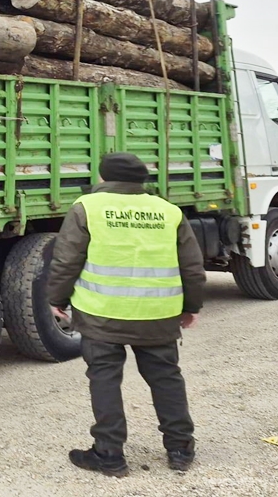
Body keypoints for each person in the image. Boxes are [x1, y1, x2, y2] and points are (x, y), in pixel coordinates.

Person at [47, 152, 206, 477]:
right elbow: (192, 266)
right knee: (166, 378)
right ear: (142, 180)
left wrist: (56, 298)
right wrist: (192, 306)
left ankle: (109, 455)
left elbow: (66, 261)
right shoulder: (169, 211)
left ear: (103, 178)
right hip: (157, 316)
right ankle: (180, 449)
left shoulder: (87, 208)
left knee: (105, 379)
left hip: (101, 315)